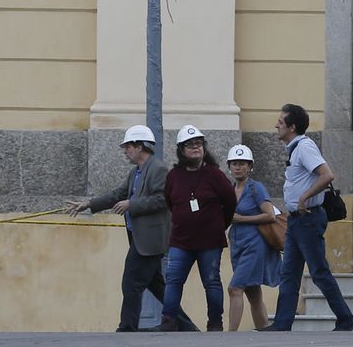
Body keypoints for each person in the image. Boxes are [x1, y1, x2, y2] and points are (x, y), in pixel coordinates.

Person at [65, 125, 198, 332]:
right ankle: (187, 326)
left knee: (131, 282)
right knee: (157, 286)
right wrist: (89, 204)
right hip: (141, 238)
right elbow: (117, 194)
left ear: (140, 147)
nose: (125, 151)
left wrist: (131, 204)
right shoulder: (136, 172)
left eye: (128, 146)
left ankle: (127, 328)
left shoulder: (158, 169)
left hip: (150, 239)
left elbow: (162, 199)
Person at [261, 103, 353, 332]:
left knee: (319, 272)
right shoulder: (295, 148)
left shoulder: (304, 147)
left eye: (281, 122)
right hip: (296, 220)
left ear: (292, 127)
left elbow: (327, 175)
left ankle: (346, 319)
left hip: (308, 218)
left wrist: (304, 197)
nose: (276, 125)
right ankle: (283, 322)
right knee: (290, 272)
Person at [156, 125, 237, 332]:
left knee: (211, 281)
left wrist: (220, 225)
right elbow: (170, 202)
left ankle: (215, 323)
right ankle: (168, 321)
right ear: (181, 150)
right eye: (190, 145)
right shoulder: (174, 175)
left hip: (210, 241)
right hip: (181, 241)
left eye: (199, 144)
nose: (196, 148)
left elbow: (229, 203)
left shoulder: (215, 174)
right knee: (174, 280)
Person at [225, 144, 282, 331]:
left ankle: (230, 336)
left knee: (235, 288)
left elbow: (270, 215)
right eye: (234, 163)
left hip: (254, 244)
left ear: (250, 167)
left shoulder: (256, 188)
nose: (238, 167)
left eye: (242, 163)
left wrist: (242, 218)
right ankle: (264, 331)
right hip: (237, 244)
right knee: (253, 293)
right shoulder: (229, 189)